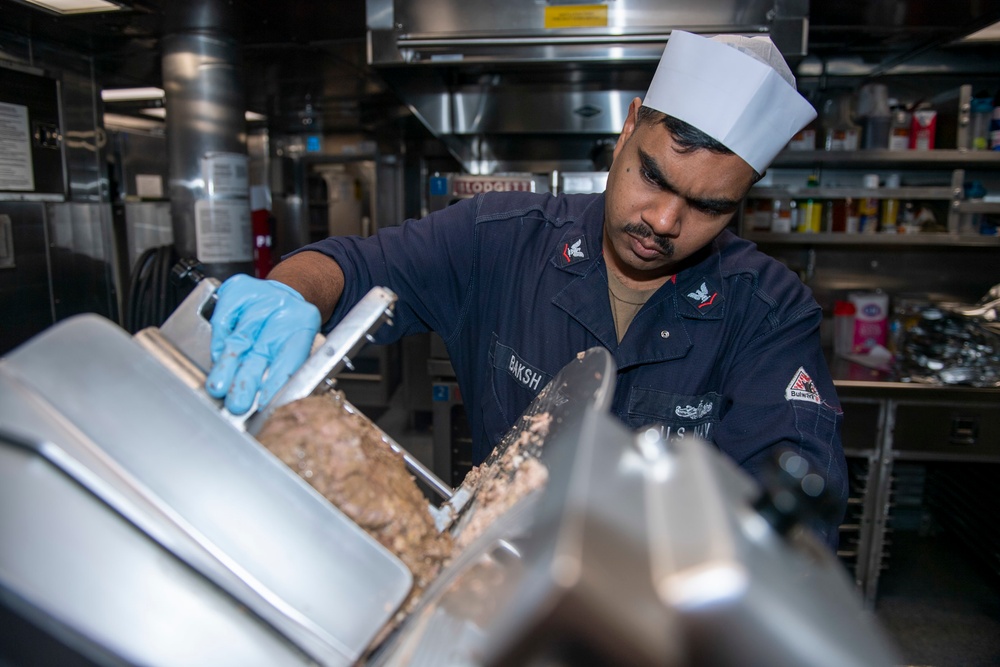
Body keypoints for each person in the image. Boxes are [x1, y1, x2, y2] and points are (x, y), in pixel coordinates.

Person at [206, 31, 848, 548]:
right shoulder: (502, 239)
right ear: (628, 127)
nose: (664, 221)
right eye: (653, 177)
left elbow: (792, 504)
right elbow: (352, 267)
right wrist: (289, 292)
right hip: (490, 577)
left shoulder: (767, 309)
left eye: (708, 206)